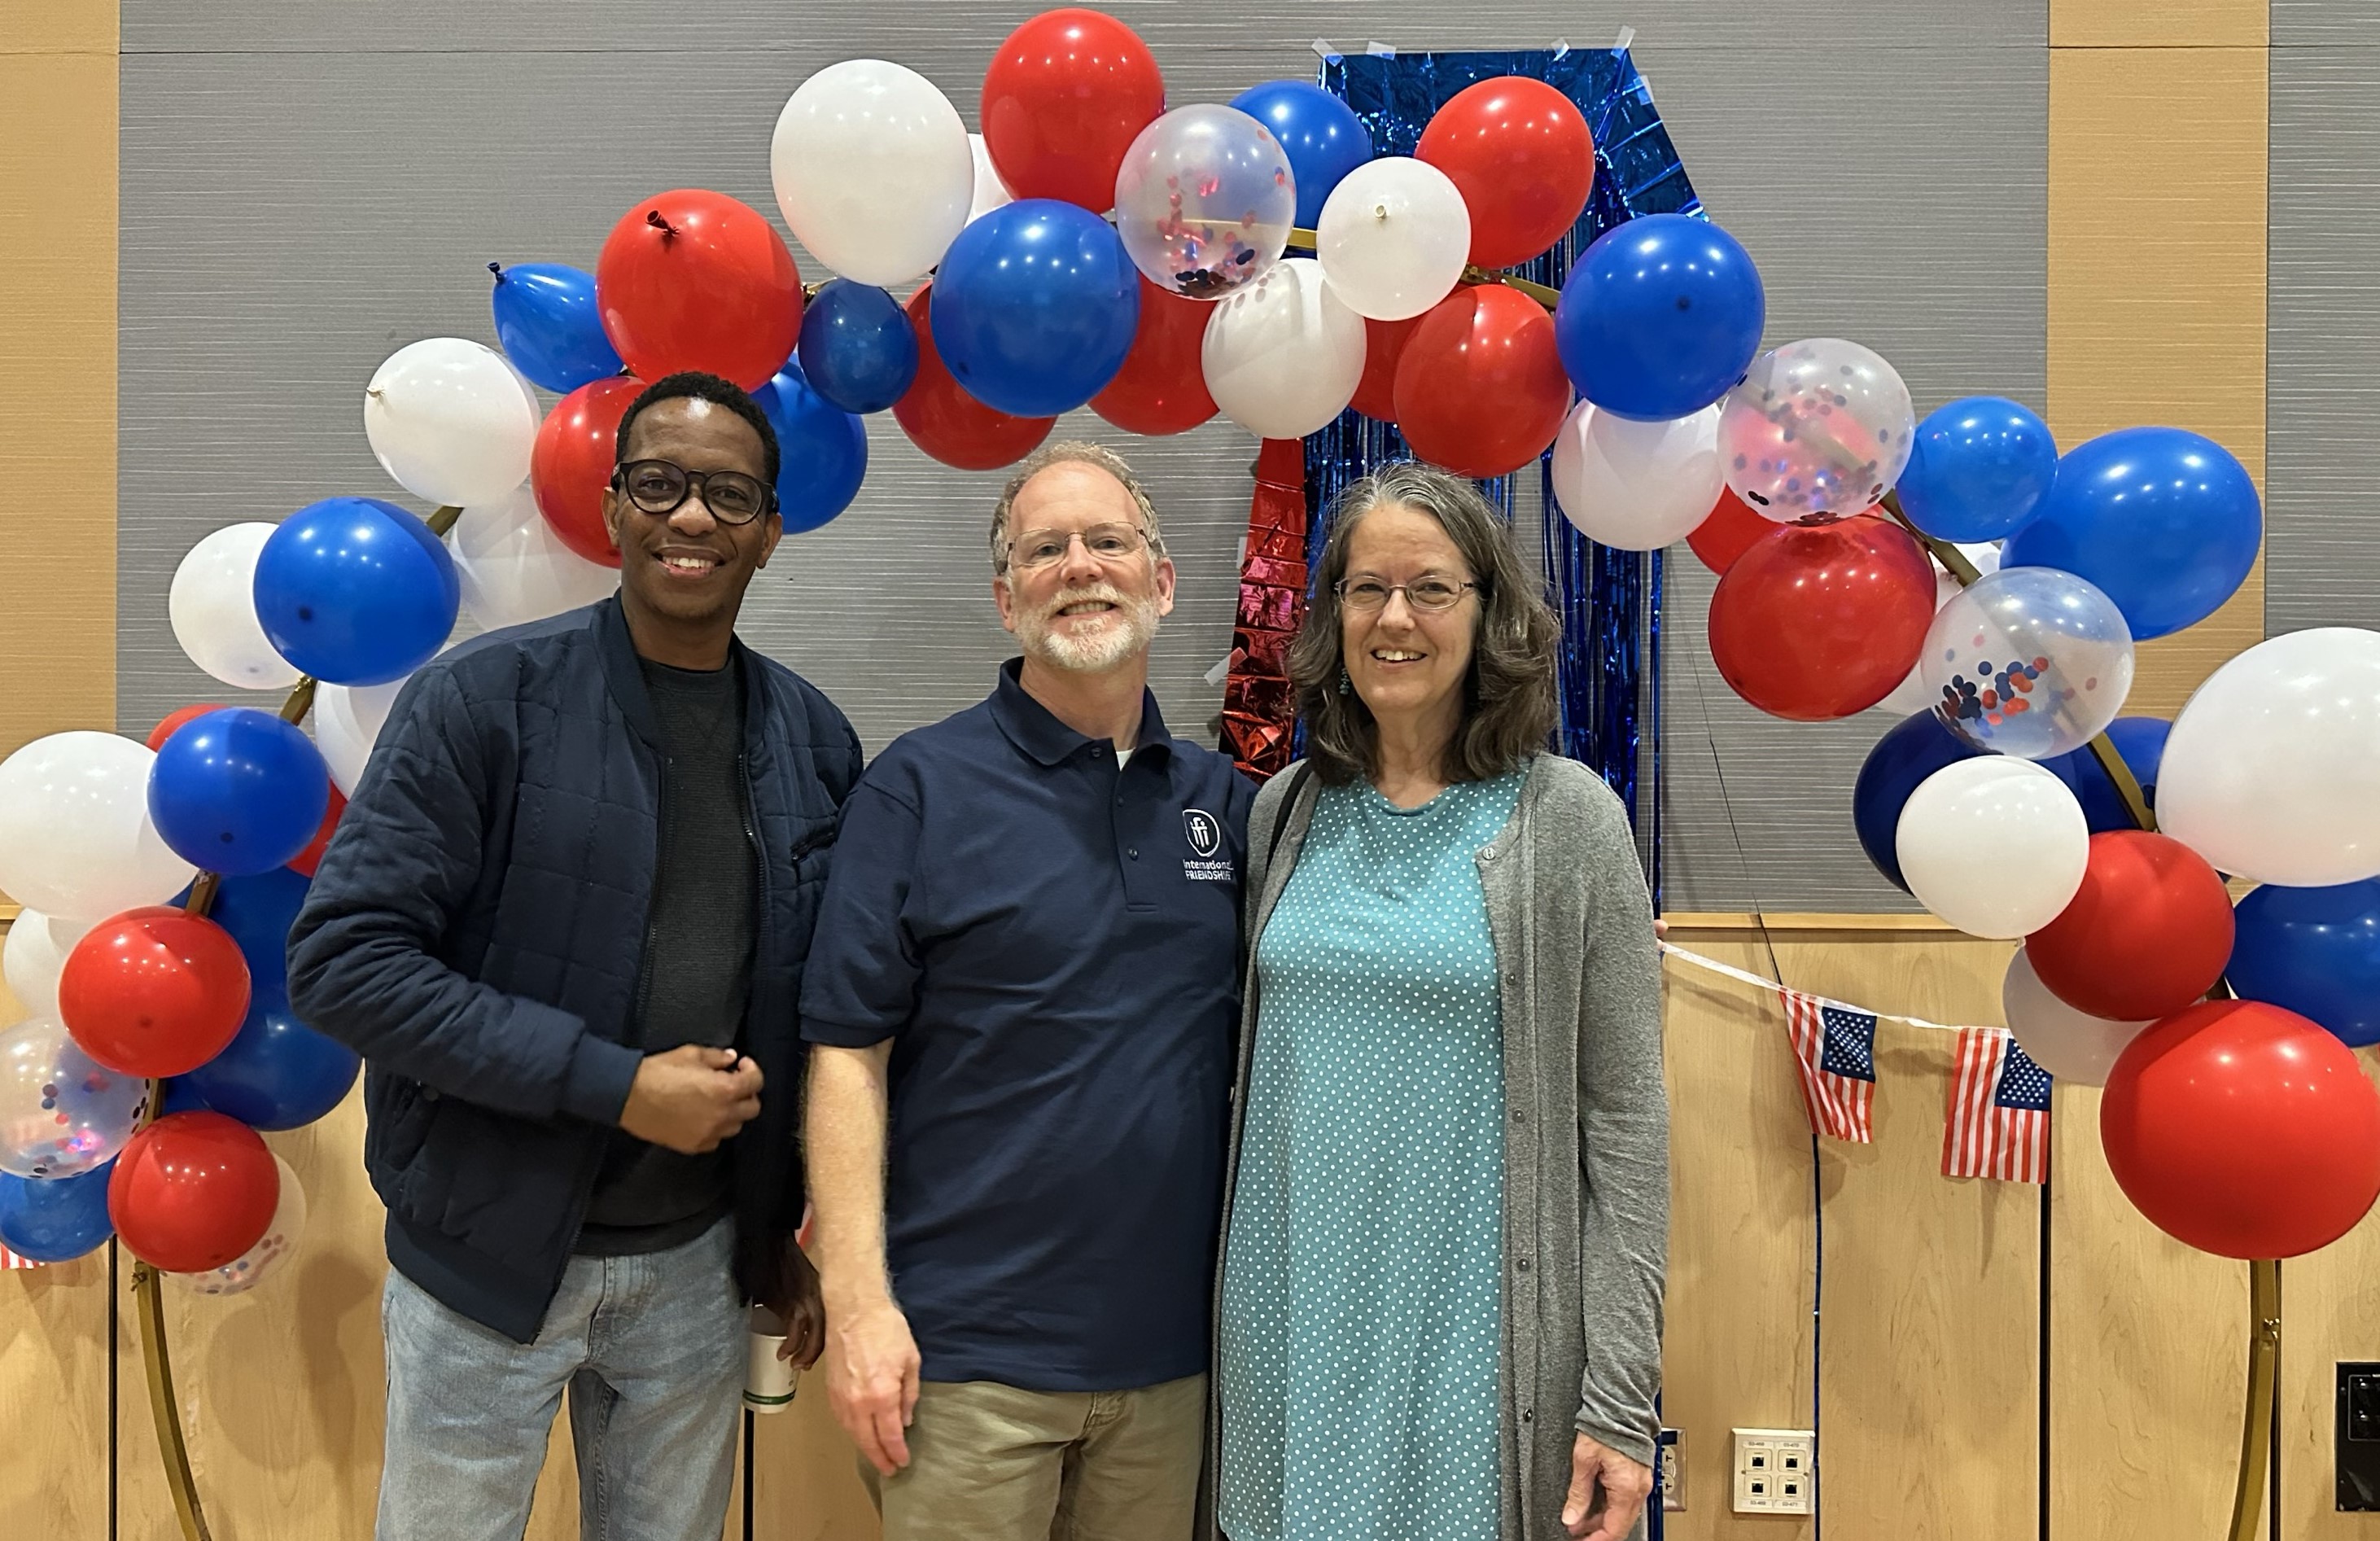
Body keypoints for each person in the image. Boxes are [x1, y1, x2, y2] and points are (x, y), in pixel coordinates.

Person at [287, 371, 863, 1541]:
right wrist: (619, 1086)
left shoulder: (815, 737)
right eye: (658, 483)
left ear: (771, 530)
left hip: (699, 1276)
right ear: (610, 507)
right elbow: (345, 962)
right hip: (481, 1269)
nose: (690, 516)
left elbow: (807, 1011)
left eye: (728, 494)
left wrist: (779, 1235)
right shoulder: (483, 701)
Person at [801, 440, 1254, 1541]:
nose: (1080, 565)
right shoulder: (917, 787)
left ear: (1162, 578)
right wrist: (860, 1308)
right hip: (966, 1362)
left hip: (1175, 1366)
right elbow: (847, 1053)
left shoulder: (1233, 806)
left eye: (1108, 541)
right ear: (1006, 598)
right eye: (1044, 549)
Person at [1212, 462, 1668, 1541]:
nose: (1395, 618)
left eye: (1431, 588)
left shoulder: (1567, 823)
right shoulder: (1285, 813)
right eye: (1366, 589)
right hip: (1287, 1326)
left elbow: (1630, 1131)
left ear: (1489, 611)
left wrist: (1620, 1396)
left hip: (1471, 1346)